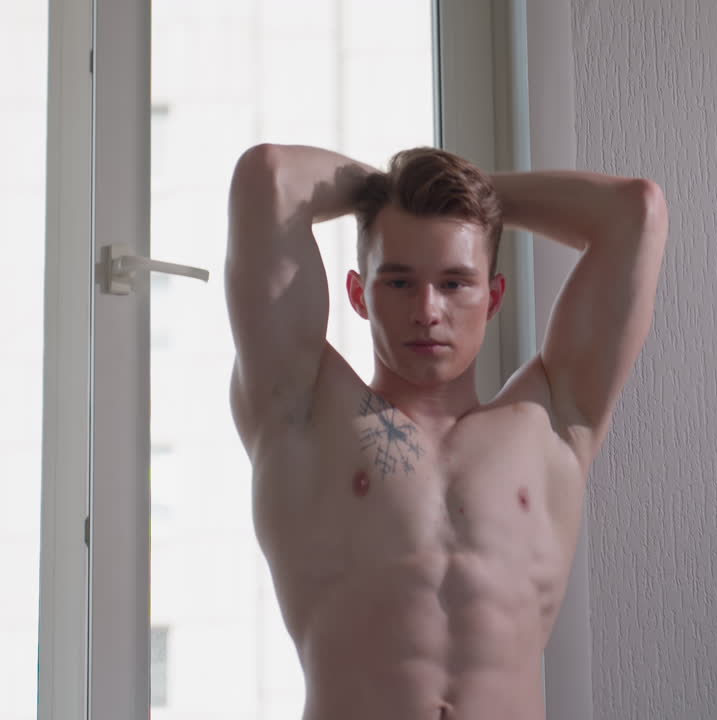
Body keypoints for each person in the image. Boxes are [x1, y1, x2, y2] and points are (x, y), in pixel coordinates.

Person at [224, 143, 668, 720]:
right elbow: (270, 179)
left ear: (493, 297)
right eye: (401, 283)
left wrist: (473, 192)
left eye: (455, 283)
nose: (428, 310)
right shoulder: (302, 410)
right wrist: (386, 187)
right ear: (360, 295)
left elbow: (636, 212)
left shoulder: (553, 420)